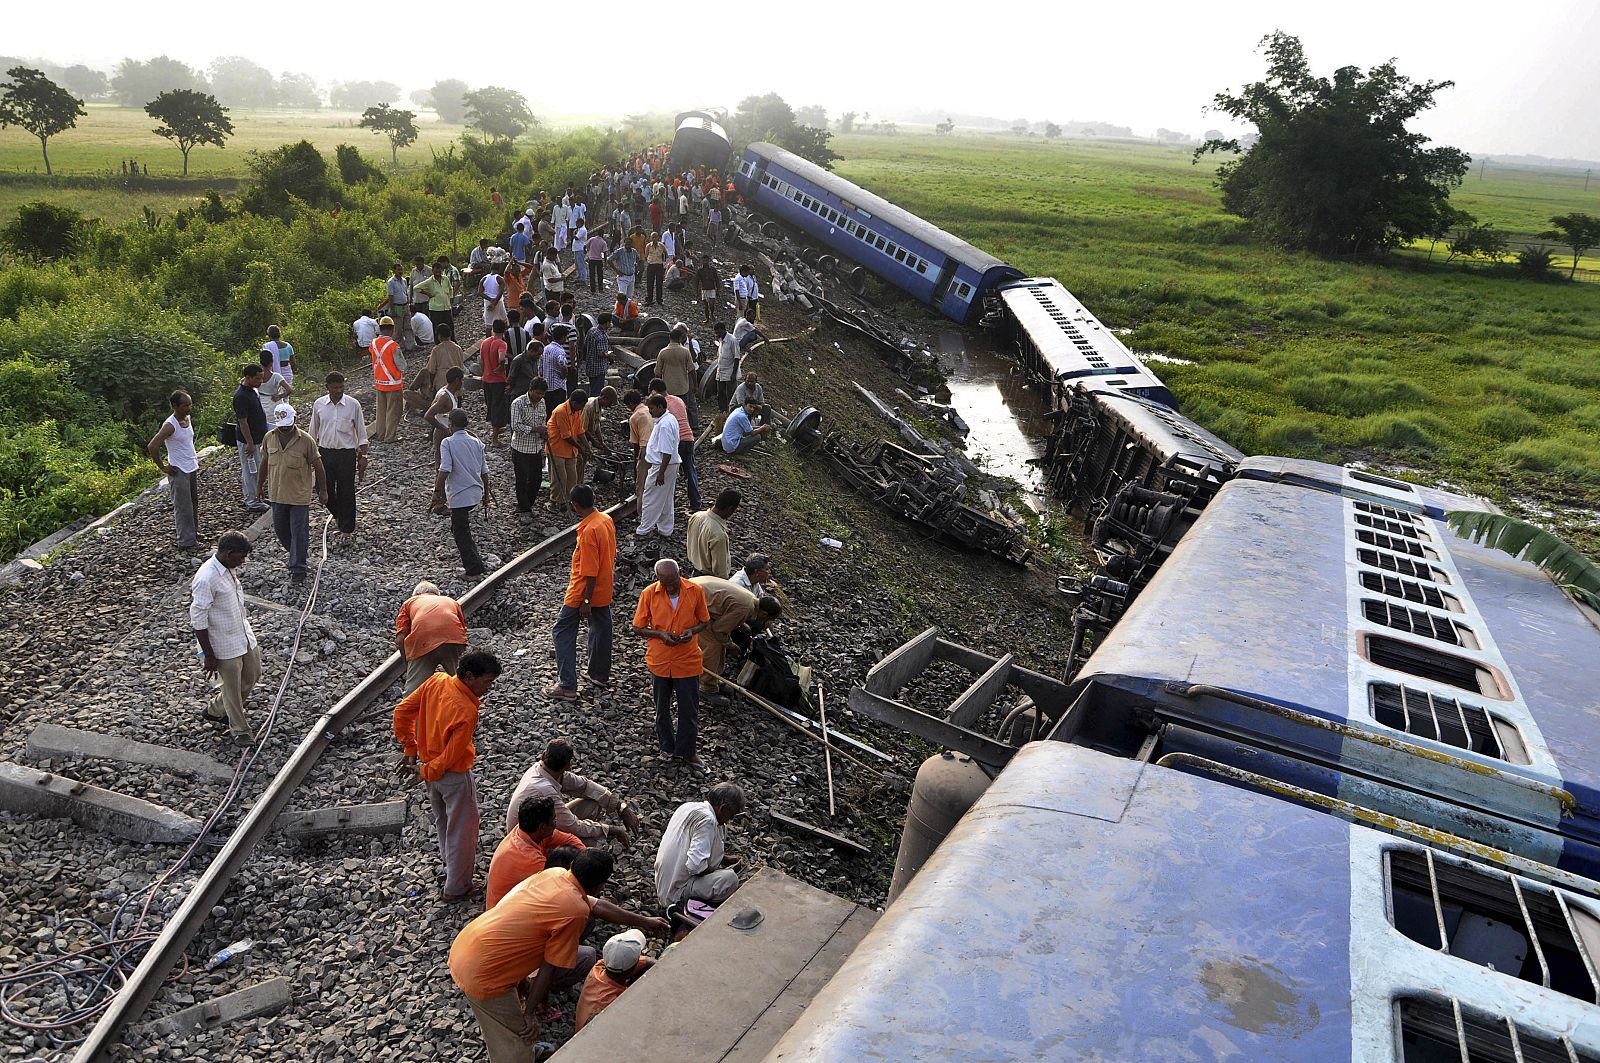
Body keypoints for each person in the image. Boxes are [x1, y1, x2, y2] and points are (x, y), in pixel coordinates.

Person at [448, 852, 669, 1061]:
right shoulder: (574, 910)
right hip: (482, 971)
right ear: (600, 885)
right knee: (518, 1036)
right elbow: (549, 966)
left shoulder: (555, 874)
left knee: (499, 1022)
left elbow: (598, 906)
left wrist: (645, 921)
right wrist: (530, 1013)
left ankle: (516, 1044)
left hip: (471, 943)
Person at [394, 650, 503, 902]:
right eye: (486, 681)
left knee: (443, 822)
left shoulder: (437, 680)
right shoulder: (466, 711)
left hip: (431, 771)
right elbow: (451, 757)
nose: (489, 688)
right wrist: (424, 771)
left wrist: (411, 750)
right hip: (453, 776)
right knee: (463, 832)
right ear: (468, 676)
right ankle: (457, 887)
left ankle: (450, 867)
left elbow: (401, 712)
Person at [632, 558, 710, 762]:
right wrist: (661, 635)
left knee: (689, 709)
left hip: (687, 661)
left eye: (674, 581)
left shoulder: (695, 590)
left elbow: (704, 621)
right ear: (658, 580)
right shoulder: (649, 594)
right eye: (666, 584)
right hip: (660, 661)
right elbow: (637, 627)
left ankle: (687, 752)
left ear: (679, 574)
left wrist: (691, 631)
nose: (671, 587)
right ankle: (666, 748)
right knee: (662, 708)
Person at [547, 486, 615, 701]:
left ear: (575, 507)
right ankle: (598, 674)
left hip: (582, 592)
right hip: (604, 588)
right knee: (601, 627)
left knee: (562, 631)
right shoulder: (605, 519)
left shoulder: (588, 532)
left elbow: (589, 571)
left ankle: (567, 686)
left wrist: (586, 600)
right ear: (594, 498)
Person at [503, 737, 641, 840]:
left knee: (593, 802)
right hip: (525, 840)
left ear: (543, 756)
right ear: (568, 766)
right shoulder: (544, 790)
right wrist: (611, 829)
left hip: (536, 827)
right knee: (586, 845)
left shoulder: (541, 769)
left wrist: (621, 807)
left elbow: (586, 786)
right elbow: (574, 827)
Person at [191, 530, 259, 742]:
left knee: (253, 675)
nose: (243, 562)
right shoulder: (206, 578)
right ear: (229, 554)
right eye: (241, 557)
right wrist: (209, 655)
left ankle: (215, 709)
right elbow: (198, 618)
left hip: (242, 635)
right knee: (232, 688)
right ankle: (240, 730)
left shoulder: (227, 567)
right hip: (222, 644)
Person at [256, 403, 326, 581]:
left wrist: (323, 491)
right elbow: (264, 462)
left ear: (294, 419)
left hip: (298, 496)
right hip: (277, 494)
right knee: (281, 530)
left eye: (288, 424)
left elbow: (318, 466)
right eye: (282, 425)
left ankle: (298, 568)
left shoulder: (306, 440)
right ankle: (298, 552)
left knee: (298, 531)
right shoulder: (269, 438)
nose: (285, 428)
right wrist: (259, 486)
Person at [691, 575, 781, 701]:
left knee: (720, 641)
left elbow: (727, 608)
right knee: (714, 644)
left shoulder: (751, 600)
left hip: (696, 591)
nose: (766, 623)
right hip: (689, 600)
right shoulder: (745, 608)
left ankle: (715, 678)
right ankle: (706, 687)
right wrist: (731, 645)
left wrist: (740, 623)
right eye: (768, 619)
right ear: (764, 613)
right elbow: (719, 630)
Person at [654, 783, 744, 908]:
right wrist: (714, 872)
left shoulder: (688, 806)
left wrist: (723, 859)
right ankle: (690, 908)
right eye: (732, 814)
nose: (730, 819)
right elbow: (695, 866)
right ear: (723, 808)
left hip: (664, 885)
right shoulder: (708, 820)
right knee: (730, 879)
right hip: (676, 894)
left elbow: (688, 847)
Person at [486, 796, 584, 909]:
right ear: (542, 827)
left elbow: (569, 839)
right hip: (505, 912)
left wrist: (584, 855)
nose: (556, 822)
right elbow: (561, 888)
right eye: (553, 819)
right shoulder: (529, 859)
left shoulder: (527, 831)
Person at [307, 372, 369, 537]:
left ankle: (347, 529)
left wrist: (363, 455)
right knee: (322, 488)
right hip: (325, 453)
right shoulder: (319, 404)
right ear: (327, 387)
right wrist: (309, 454)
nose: (338, 390)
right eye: (335, 387)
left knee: (346, 490)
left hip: (346, 453)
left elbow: (361, 432)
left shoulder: (353, 405)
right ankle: (340, 515)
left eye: (341, 387)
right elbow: (313, 431)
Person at [437, 408, 493, 576]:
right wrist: (486, 495)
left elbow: (445, 468)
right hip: (475, 492)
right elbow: (484, 471)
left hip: (460, 495)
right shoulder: (476, 442)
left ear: (451, 424)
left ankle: (474, 568)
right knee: (459, 528)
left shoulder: (447, 443)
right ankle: (475, 564)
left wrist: (436, 491)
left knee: (461, 532)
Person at [147, 389, 202, 550]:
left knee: (193, 503)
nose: (189, 408)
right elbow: (153, 446)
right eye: (185, 405)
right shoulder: (170, 425)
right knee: (183, 506)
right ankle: (185, 541)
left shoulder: (187, 419)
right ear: (175, 406)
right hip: (178, 469)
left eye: (190, 404)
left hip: (191, 466)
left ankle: (193, 534)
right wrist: (163, 466)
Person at [395, 581, 468, 695]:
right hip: (453, 639)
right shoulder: (451, 601)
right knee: (462, 684)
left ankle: (410, 710)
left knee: (413, 693)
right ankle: (466, 707)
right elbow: (462, 630)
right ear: (437, 594)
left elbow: (400, 639)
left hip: (423, 641)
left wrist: (408, 664)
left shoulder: (410, 602)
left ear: (417, 594)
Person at [575, 929, 653, 1032]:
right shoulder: (609, 1004)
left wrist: (646, 961)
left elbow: (625, 966)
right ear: (631, 970)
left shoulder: (599, 967)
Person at [648, 379, 700, 514]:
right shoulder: (678, 400)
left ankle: (670, 501)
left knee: (670, 471)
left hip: (676, 441)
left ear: (655, 391)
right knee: (690, 471)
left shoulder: (662, 406)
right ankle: (696, 502)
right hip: (688, 437)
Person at [637, 395, 680, 538]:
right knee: (666, 498)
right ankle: (665, 528)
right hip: (668, 465)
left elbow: (667, 452)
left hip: (662, 466)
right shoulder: (668, 419)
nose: (650, 411)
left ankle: (644, 528)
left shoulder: (664, 425)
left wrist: (660, 473)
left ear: (661, 407)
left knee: (650, 497)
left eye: (652, 408)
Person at [508, 376, 548, 517]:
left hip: (536, 447)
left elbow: (544, 421)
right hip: (521, 448)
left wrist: (544, 432)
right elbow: (516, 426)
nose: (540, 396)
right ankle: (524, 508)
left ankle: (528, 503)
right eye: (537, 393)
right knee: (522, 479)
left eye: (542, 394)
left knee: (536, 479)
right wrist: (534, 429)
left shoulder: (542, 403)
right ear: (530, 390)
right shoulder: (517, 403)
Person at [545, 388, 590, 508]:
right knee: (559, 478)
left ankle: (569, 501)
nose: (582, 408)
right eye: (581, 405)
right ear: (574, 402)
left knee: (572, 477)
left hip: (571, 450)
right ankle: (554, 501)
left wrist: (587, 446)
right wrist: (581, 448)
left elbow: (580, 431)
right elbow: (566, 436)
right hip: (557, 448)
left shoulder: (577, 411)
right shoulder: (561, 411)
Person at [686, 490, 739, 578]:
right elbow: (720, 571)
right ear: (730, 508)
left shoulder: (696, 516)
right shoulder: (719, 535)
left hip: (694, 571)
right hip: (708, 578)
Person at [370, 317, 406, 443]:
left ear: (380, 328)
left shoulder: (373, 343)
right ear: (392, 329)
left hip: (379, 382)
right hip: (393, 384)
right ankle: (390, 437)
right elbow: (402, 365)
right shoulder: (393, 346)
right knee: (394, 410)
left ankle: (381, 434)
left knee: (381, 411)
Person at [425, 368, 466, 466]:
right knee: (442, 459)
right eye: (461, 380)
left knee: (443, 457)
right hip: (443, 432)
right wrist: (445, 429)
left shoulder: (447, 391)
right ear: (457, 380)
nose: (462, 383)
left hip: (445, 430)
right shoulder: (445, 397)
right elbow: (428, 415)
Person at [481, 319, 510, 447]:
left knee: (491, 405)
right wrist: (501, 366)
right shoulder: (502, 343)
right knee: (498, 407)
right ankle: (495, 439)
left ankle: (496, 429)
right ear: (504, 329)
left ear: (493, 328)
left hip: (486, 378)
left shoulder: (485, 342)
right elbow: (501, 358)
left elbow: (482, 361)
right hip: (498, 379)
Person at [421, 324, 466, 396]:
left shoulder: (436, 350)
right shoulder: (458, 348)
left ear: (439, 336)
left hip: (441, 383)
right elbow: (461, 365)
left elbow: (432, 370)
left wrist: (431, 384)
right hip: (456, 382)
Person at [416, 258, 457, 339]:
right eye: (436, 270)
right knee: (437, 328)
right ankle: (438, 344)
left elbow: (450, 289)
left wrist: (451, 298)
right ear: (433, 270)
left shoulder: (445, 279)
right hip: (436, 309)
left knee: (450, 326)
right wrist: (427, 294)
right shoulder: (429, 281)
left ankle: (452, 341)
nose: (438, 271)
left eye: (439, 269)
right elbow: (416, 288)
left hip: (446, 307)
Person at [540, 326, 571, 418]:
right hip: (558, 386)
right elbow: (562, 364)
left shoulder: (545, 349)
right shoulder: (560, 351)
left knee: (548, 413)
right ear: (562, 337)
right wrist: (564, 375)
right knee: (558, 413)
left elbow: (540, 367)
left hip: (546, 386)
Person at [625, 389, 652, 495]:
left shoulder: (634, 417)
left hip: (645, 447)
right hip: (657, 446)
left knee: (641, 484)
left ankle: (641, 509)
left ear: (631, 403)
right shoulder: (648, 409)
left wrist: (637, 463)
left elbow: (636, 444)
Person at [580, 314, 613, 397]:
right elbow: (600, 353)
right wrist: (609, 355)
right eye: (610, 322)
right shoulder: (601, 336)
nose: (610, 324)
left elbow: (585, 345)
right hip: (599, 368)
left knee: (593, 387)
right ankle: (594, 407)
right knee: (596, 392)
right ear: (606, 323)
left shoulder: (592, 330)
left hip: (590, 365)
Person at [713, 321, 739, 414]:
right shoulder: (720, 340)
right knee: (720, 392)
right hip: (721, 370)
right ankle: (722, 411)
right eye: (716, 333)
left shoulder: (732, 340)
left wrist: (733, 373)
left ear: (723, 330)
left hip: (729, 371)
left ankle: (731, 412)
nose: (717, 334)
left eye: (719, 332)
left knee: (730, 393)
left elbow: (737, 358)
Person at [256, 349, 290, 420]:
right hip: (274, 404)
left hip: (261, 404)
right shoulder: (276, 376)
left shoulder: (257, 375)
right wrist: (280, 396)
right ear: (272, 362)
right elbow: (289, 390)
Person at [643, 232, 667, 305]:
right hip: (651, 265)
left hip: (659, 265)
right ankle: (649, 299)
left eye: (655, 237)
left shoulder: (661, 246)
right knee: (650, 283)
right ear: (651, 238)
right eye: (653, 237)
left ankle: (659, 299)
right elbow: (646, 256)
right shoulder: (648, 246)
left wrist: (663, 260)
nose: (654, 239)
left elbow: (666, 253)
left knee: (659, 283)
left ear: (658, 238)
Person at [481, 265, 506, 332]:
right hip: (498, 301)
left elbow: (480, 292)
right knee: (504, 321)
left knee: (488, 325)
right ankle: (505, 338)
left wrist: (490, 299)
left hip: (488, 302)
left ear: (490, 269)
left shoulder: (484, 278)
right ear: (499, 269)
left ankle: (488, 341)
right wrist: (494, 303)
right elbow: (500, 293)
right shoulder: (499, 279)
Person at [584, 227, 608, 294]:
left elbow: (585, 245)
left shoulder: (592, 239)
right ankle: (600, 289)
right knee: (600, 275)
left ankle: (593, 289)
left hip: (591, 259)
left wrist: (586, 251)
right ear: (603, 234)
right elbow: (605, 253)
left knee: (592, 275)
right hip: (599, 259)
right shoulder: (603, 242)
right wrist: (605, 263)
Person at [697, 257, 720, 325]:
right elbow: (697, 280)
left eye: (706, 260)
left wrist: (718, 289)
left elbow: (716, 279)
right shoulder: (700, 270)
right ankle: (707, 319)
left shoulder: (712, 269)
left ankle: (712, 314)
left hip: (712, 288)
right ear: (702, 261)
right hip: (704, 289)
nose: (705, 262)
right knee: (706, 305)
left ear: (709, 261)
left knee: (711, 304)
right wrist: (697, 290)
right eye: (704, 260)